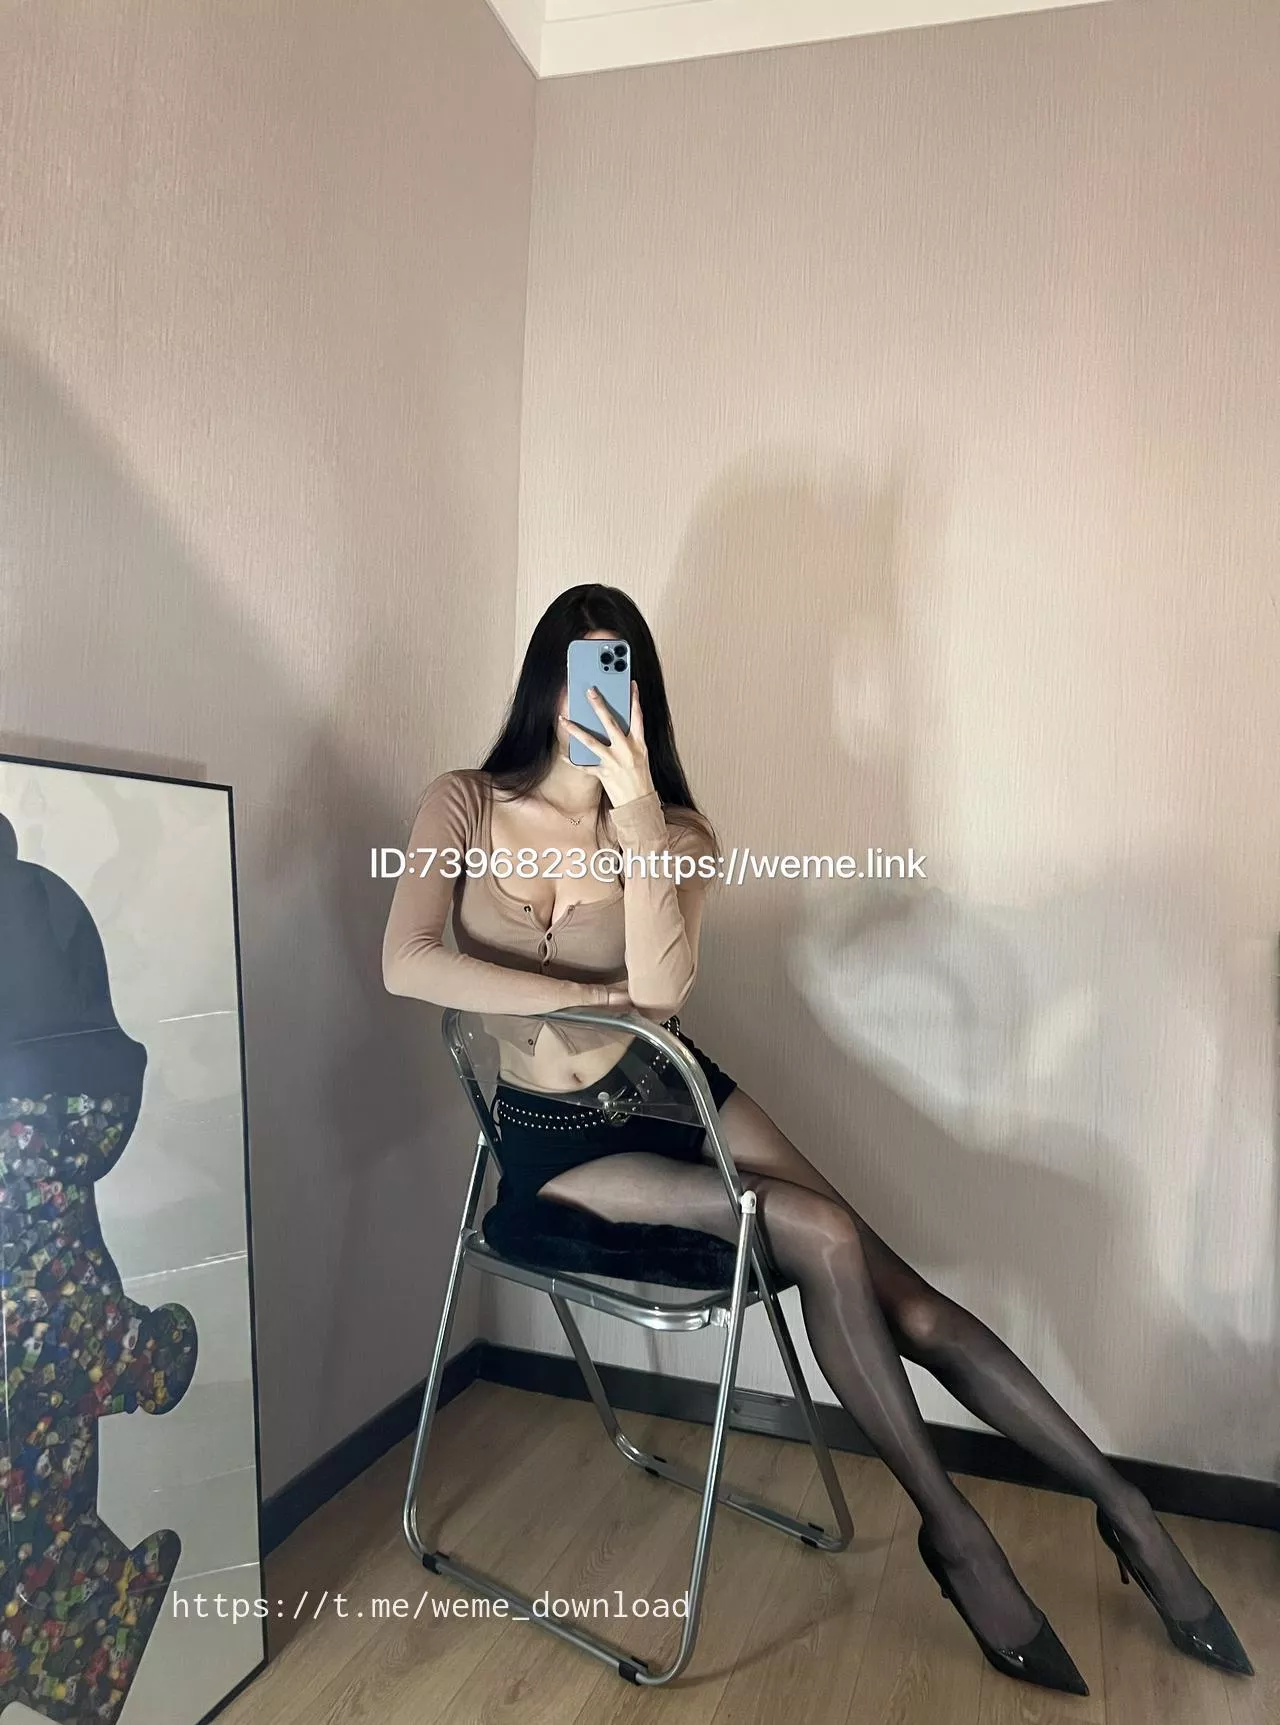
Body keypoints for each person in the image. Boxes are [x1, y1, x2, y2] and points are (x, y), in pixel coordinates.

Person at [382, 585, 1252, 1696]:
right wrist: (590, 998)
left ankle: (1126, 1508)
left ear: (641, 697)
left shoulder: (678, 834)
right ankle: (956, 1532)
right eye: (577, 668)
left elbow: (662, 993)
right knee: (821, 1232)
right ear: (542, 679)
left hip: (670, 1093)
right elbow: (408, 960)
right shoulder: (462, 801)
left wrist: (635, 810)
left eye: (619, 675)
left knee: (907, 1297)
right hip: (559, 1143)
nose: (592, 697)